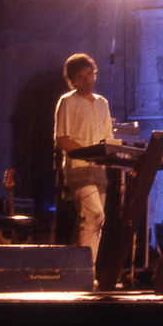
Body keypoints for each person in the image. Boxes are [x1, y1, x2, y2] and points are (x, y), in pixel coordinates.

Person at [53, 53, 113, 266]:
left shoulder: (102, 103)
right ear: (73, 80)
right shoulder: (67, 102)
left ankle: (72, 268)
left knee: (94, 221)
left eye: (91, 74)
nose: (89, 79)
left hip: (98, 170)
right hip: (78, 169)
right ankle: (87, 271)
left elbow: (109, 139)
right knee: (93, 215)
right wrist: (89, 152)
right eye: (82, 77)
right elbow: (62, 140)